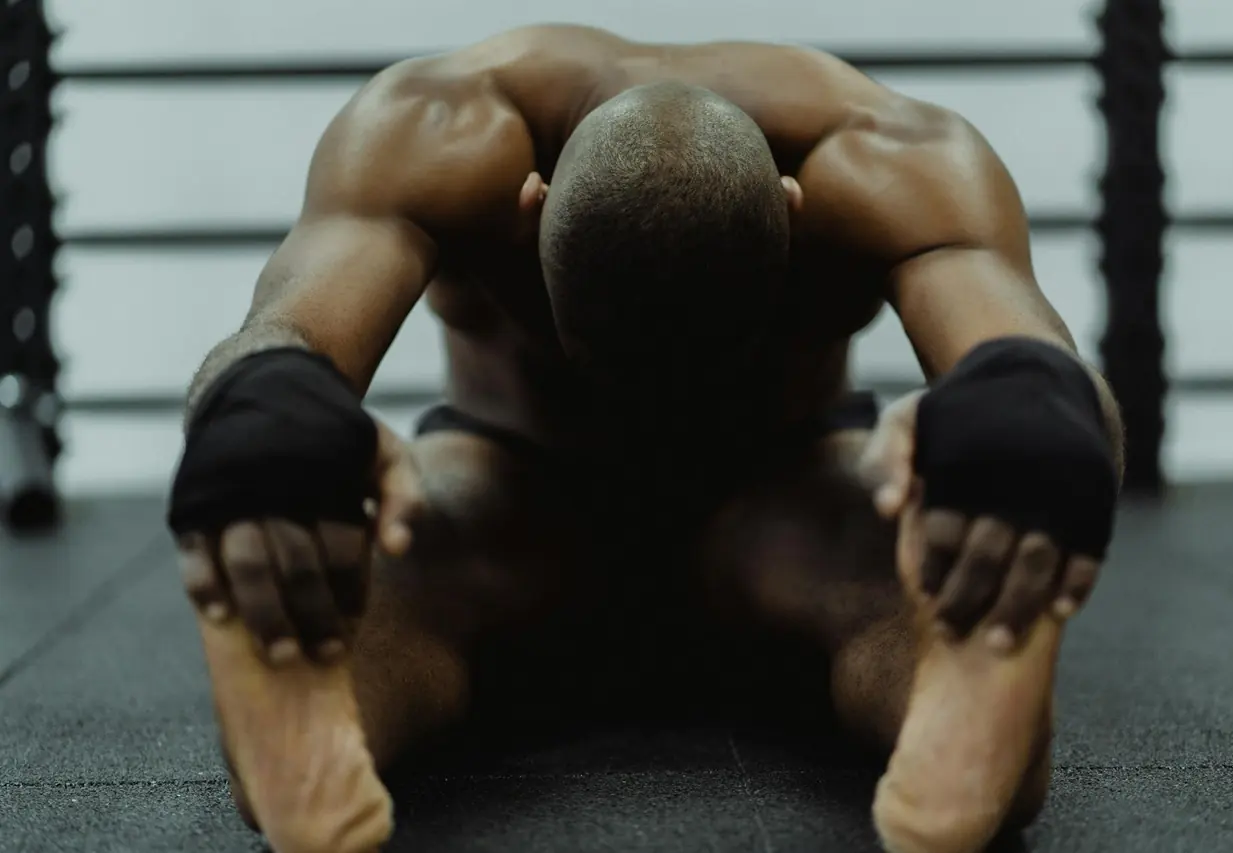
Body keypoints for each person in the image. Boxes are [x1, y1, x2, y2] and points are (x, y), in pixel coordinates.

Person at [166, 24, 1124, 853]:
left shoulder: (900, 159)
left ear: (795, 216)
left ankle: (968, 703)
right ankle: (305, 695)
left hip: (769, 493)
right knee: (359, 554)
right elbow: (284, 334)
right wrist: (271, 426)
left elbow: (1032, 365)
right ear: (530, 208)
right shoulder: (432, 128)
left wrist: (1017, 427)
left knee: (934, 551)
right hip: (524, 492)